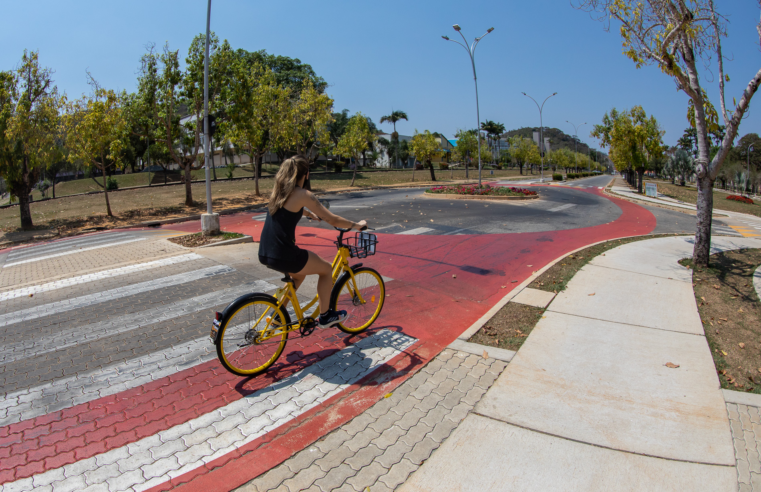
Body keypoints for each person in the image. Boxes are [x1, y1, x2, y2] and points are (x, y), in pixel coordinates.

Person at [258, 155, 367, 329]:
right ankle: (325, 316)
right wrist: (357, 225)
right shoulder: (304, 194)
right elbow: (333, 219)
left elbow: (287, 211)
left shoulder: (279, 192)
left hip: (265, 253)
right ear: (306, 174)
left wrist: (308, 214)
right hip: (284, 254)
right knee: (326, 269)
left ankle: (278, 314)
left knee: (298, 276)